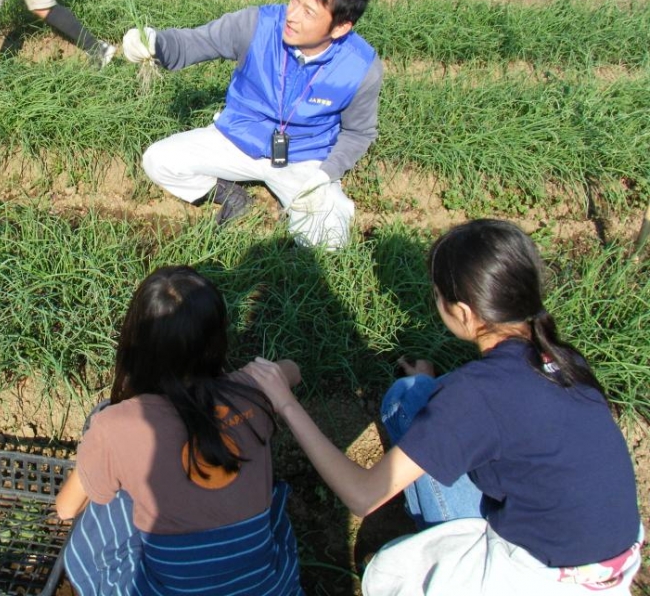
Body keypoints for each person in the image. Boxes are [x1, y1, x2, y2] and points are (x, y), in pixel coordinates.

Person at [244, 219, 644, 595]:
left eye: (437, 295)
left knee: (390, 571)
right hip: (609, 561)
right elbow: (509, 408)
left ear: (465, 313)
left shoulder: (474, 395)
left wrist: (285, 401)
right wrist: (436, 388)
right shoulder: (562, 359)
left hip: (541, 578)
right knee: (414, 396)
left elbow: (362, 495)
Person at [54, 266, 304, 595]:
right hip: (269, 588)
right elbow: (293, 371)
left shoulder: (114, 426)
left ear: (135, 341)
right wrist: (254, 377)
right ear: (216, 340)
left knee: (108, 485)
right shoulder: (253, 389)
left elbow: (66, 509)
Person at [121, 0, 383, 250]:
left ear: (341, 27)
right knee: (158, 160)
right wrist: (154, 44)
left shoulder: (360, 67)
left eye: (309, 12)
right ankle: (232, 197)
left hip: (303, 158)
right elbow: (195, 42)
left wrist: (325, 174)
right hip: (236, 139)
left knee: (330, 237)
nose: (292, 16)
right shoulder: (257, 25)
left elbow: (359, 133)